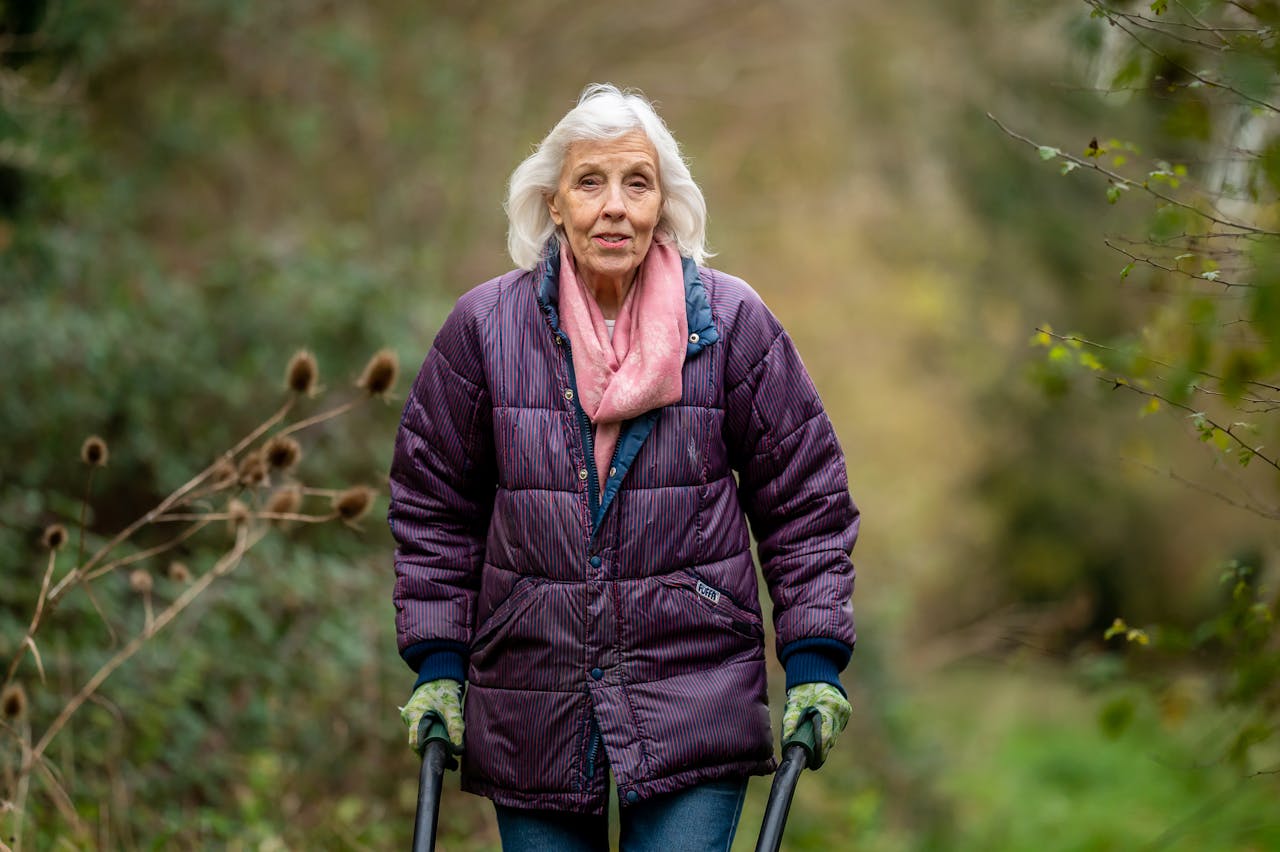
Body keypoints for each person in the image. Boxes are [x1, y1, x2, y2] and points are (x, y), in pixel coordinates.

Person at [389, 83, 859, 851]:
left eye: (636, 183)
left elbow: (805, 500)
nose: (614, 206)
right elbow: (434, 506)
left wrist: (813, 657)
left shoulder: (732, 324)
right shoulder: (484, 329)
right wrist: (437, 658)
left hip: (695, 686)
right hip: (531, 691)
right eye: (590, 182)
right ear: (553, 205)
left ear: (664, 204)